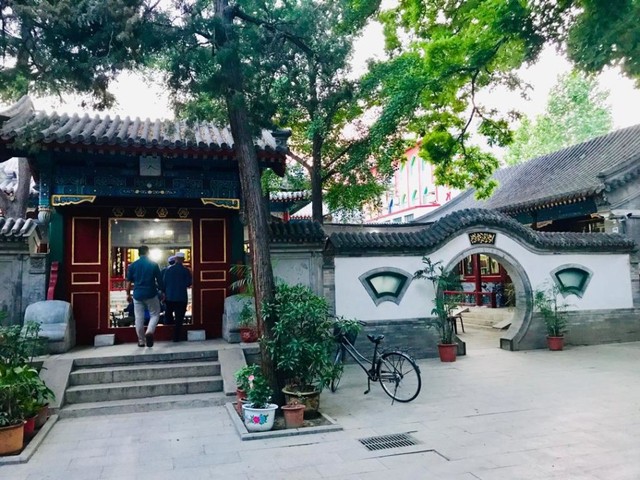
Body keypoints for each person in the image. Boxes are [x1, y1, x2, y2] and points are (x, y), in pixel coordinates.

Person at [126, 245, 164, 347]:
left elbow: (128, 282)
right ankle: (149, 331)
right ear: (148, 253)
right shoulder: (154, 264)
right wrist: (163, 292)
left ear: (138, 253)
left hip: (137, 294)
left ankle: (141, 341)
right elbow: (160, 281)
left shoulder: (133, 266)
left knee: (139, 318)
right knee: (155, 314)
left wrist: (128, 294)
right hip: (151, 293)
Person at [163, 251, 192, 342]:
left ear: (175, 259)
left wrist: (164, 294)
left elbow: (163, 283)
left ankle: (167, 334)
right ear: (183, 260)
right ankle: (176, 337)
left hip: (169, 297)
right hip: (181, 297)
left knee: (168, 316)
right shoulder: (186, 270)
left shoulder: (168, 270)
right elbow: (189, 283)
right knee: (179, 318)